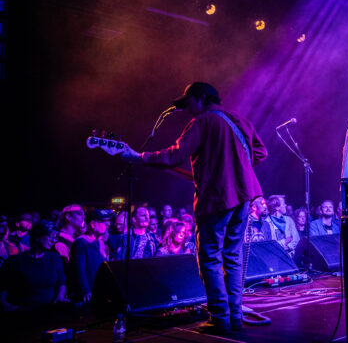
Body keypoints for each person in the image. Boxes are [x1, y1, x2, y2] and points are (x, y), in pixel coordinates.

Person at [117, 82, 267, 335]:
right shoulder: (239, 120)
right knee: (232, 257)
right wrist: (234, 167)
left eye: (189, 103)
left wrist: (138, 157)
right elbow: (260, 153)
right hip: (244, 196)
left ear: (200, 98)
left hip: (217, 198)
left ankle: (220, 318)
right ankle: (236, 316)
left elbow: (175, 155)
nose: (187, 109)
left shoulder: (203, 122)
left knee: (209, 258)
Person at [0, 221, 67, 310]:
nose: (53, 240)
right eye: (50, 236)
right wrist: (8, 307)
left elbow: (61, 282)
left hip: (49, 312)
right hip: (22, 315)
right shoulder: (15, 262)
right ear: (37, 236)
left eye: (55, 237)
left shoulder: (54, 258)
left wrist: (60, 297)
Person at [69, 209, 112, 303]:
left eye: (108, 221)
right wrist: (85, 291)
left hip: (100, 291)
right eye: (104, 222)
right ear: (93, 224)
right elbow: (79, 270)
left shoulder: (100, 242)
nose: (108, 224)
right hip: (89, 295)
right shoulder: (81, 242)